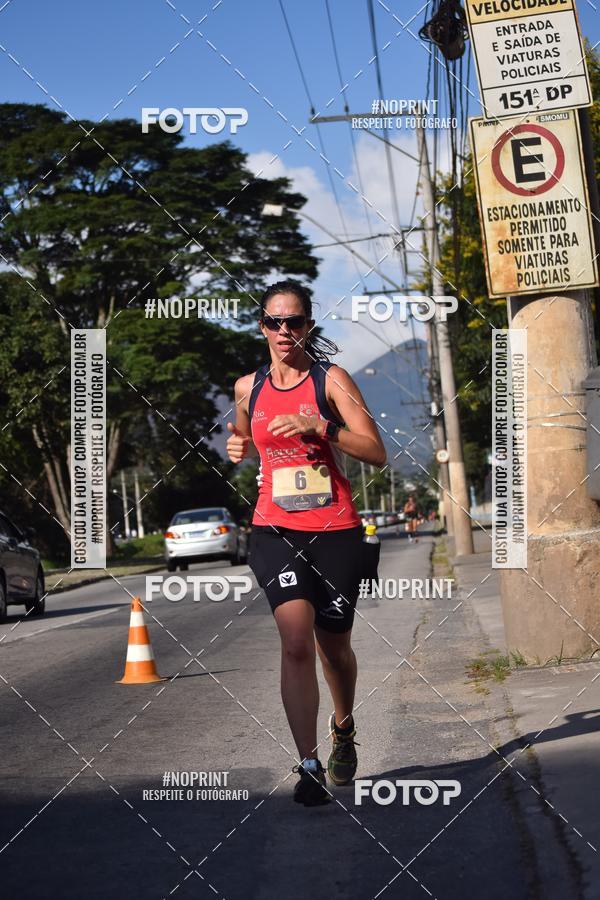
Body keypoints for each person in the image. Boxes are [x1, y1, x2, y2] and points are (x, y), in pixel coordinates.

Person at [226, 280, 386, 807]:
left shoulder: (331, 380)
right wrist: (239, 446)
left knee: (333, 646)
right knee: (296, 641)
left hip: (335, 530)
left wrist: (322, 427)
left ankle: (343, 727)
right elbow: (247, 437)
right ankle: (310, 764)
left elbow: (375, 451)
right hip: (274, 527)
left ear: (308, 326)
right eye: (275, 322)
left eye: (294, 322)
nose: (285, 331)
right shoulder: (247, 386)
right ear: (262, 328)